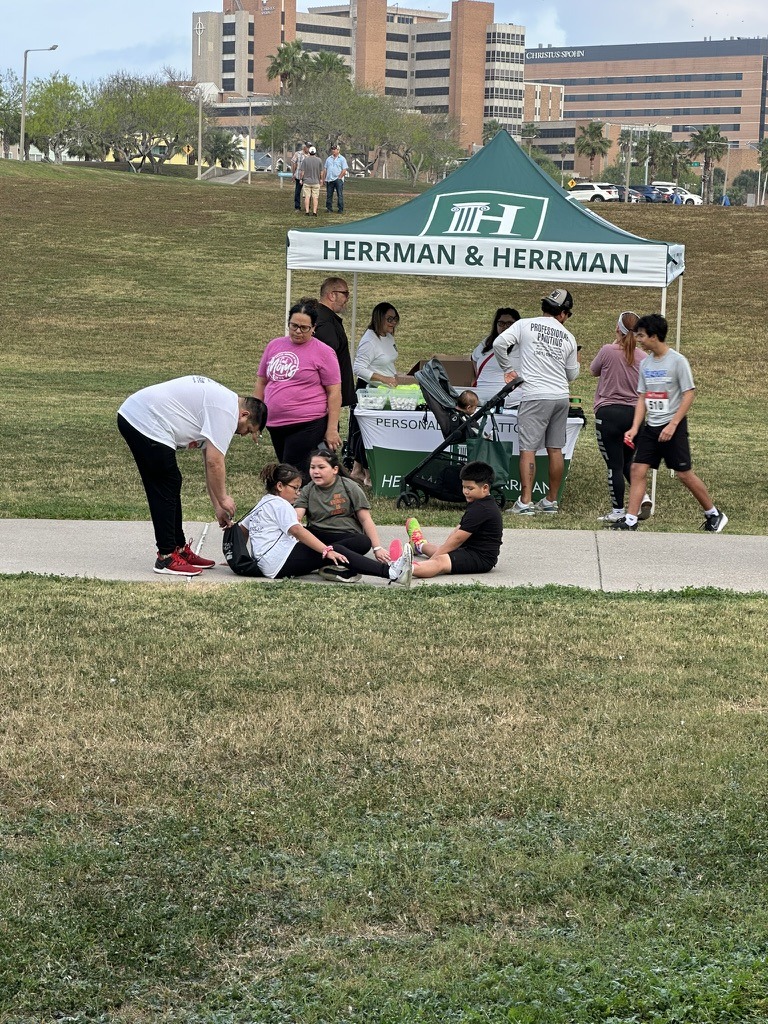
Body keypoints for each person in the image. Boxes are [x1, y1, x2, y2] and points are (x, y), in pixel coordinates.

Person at [117, 375, 267, 576]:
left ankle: (178, 549)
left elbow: (208, 463)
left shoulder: (223, 405)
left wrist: (218, 506)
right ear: (244, 414)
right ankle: (166, 557)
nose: (243, 434)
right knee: (165, 484)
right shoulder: (227, 412)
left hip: (141, 416)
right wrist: (224, 498)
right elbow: (215, 462)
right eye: (248, 429)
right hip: (143, 419)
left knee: (171, 481)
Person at [609, 313, 728, 532]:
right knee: (637, 469)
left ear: (654, 336)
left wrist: (673, 424)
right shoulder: (645, 363)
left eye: (642, 335)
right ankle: (630, 520)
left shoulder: (677, 361)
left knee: (683, 474)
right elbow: (642, 397)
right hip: (651, 427)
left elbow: (689, 393)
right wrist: (634, 427)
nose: (638, 339)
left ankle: (714, 514)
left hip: (673, 427)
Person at [236, 462, 413, 585]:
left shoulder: (263, 502)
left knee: (342, 547)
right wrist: (326, 550)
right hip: (278, 562)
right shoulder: (280, 504)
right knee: (337, 550)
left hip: (270, 561)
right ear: (280, 486)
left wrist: (241, 558)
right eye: (295, 488)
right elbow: (297, 531)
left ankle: (333, 567)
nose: (298, 493)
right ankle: (392, 572)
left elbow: (242, 529)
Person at [493, 288, 580, 515]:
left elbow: (499, 344)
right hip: (561, 396)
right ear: (563, 313)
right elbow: (572, 374)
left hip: (535, 395)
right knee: (555, 449)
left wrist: (508, 369)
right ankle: (551, 500)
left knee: (528, 449)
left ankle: (525, 502)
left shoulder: (525, 325)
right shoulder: (569, 337)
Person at [254, 300, 341, 480]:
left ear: (313, 328)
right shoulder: (274, 345)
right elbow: (262, 382)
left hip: (307, 423)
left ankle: (300, 498)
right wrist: (256, 419)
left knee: (291, 472)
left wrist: (332, 428)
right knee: (289, 469)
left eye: (304, 328)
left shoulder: (324, 352)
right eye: (294, 326)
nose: (298, 331)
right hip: (275, 424)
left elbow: (334, 392)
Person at [590, 310, 653, 524]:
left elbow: (593, 370)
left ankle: (618, 510)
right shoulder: (643, 357)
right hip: (634, 415)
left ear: (618, 328)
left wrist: (614, 343)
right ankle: (643, 498)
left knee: (614, 465)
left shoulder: (608, 350)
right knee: (628, 461)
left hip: (609, 414)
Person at [294, 447, 390, 575]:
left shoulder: (350, 487)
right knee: (300, 539)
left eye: (321, 467)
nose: (316, 472)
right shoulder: (308, 489)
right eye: (312, 467)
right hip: (318, 535)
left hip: (345, 536)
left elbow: (365, 519)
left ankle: (327, 556)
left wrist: (377, 548)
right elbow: (297, 517)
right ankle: (332, 558)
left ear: (335, 469)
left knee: (363, 542)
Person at [402, 461, 503, 578]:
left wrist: (433, 560)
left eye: (470, 488)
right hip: (468, 549)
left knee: (440, 561)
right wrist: (444, 550)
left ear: (485, 488)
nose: (465, 491)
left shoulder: (482, 508)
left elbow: (458, 539)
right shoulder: (478, 502)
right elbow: (458, 529)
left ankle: (401, 570)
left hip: (481, 558)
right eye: (464, 487)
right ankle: (418, 545)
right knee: (442, 550)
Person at [349, 301, 404, 485]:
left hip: (384, 390)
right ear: (378, 318)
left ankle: (357, 471)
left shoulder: (388, 336)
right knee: (366, 431)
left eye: (395, 319)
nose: (393, 323)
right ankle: (367, 474)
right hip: (369, 390)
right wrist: (384, 378)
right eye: (389, 319)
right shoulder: (369, 340)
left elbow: (387, 361)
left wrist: (394, 376)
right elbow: (358, 368)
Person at [314, 276, 355, 409]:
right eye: (345, 294)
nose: (347, 299)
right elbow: (326, 360)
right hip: (325, 397)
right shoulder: (325, 322)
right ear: (332, 295)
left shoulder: (323, 317)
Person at [471, 308, 520, 404]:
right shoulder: (487, 343)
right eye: (501, 323)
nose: (505, 327)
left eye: (509, 324)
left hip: (512, 402)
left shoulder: (523, 345)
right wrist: (476, 378)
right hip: (481, 402)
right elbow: (474, 358)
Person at [324, 144, 348, 213]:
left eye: (335, 149)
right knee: (329, 194)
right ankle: (329, 208)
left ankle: (340, 209)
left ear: (338, 150)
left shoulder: (342, 159)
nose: (333, 150)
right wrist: (324, 178)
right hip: (330, 179)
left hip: (338, 180)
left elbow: (344, 170)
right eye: (332, 149)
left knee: (339, 194)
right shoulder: (329, 159)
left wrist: (339, 177)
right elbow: (325, 169)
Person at [300, 145, 323, 216]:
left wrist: (301, 179)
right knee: (315, 197)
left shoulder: (305, 160)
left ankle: (307, 212)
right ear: (315, 152)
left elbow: (302, 172)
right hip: (316, 182)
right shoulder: (319, 160)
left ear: (309, 152)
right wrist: (321, 179)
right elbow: (321, 172)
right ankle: (314, 212)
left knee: (307, 197)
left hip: (307, 182)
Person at [291, 142, 309, 212]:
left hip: (308, 177)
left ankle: (307, 206)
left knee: (308, 193)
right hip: (299, 176)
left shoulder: (311, 155)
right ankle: (297, 207)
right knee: (297, 192)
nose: (309, 148)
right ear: (304, 147)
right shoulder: (297, 154)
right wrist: (293, 174)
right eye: (308, 147)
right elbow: (294, 163)